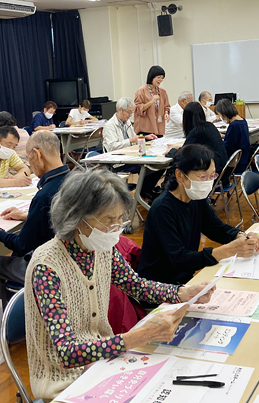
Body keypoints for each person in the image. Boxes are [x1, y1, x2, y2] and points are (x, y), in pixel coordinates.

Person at [25, 170, 215, 400]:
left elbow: (136, 286)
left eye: (120, 219)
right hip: (65, 381)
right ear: (76, 218)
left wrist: (182, 292)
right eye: (108, 221)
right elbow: (66, 353)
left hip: (104, 362)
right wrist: (137, 336)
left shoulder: (101, 248)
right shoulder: (47, 266)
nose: (117, 228)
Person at [139, 144, 259, 285]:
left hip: (183, 280)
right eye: (203, 176)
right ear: (180, 175)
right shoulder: (162, 209)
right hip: (159, 286)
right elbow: (180, 259)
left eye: (212, 175)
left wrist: (242, 236)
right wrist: (228, 250)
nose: (209, 182)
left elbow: (216, 228)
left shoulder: (195, 199)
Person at [0, 131, 69, 306]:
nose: (30, 166)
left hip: (50, 267)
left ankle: (3, 323)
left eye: (29, 159)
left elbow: (22, 245)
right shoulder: (73, 180)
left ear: (37, 154)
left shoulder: (44, 195)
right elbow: (60, 216)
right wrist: (27, 216)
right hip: (72, 259)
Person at [102, 97, 162, 199]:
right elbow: (112, 147)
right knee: (147, 167)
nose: (130, 115)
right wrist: (130, 140)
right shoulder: (109, 126)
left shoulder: (127, 122)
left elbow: (134, 139)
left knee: (158, 165)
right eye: (129, 112)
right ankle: (144, 191)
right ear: (120, 109)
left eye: (132, 112)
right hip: (117, 160)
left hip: (130, 156)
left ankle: (146, 190)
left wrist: (144, 137)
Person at [175, 102, 228, 175]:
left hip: (213, 171)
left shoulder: (197, 131)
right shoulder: (209, 126)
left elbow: (183, 154)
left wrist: (172, 150)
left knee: (179, 165)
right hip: (223, 171)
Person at [215, 98, 251, 172]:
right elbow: (238, 138)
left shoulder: (233, 125)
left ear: (224, 113)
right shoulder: (242, 120)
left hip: (235, 163)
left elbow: (226, 146)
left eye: (220, 115)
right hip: (244, 159)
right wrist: (224, 136)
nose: (221, 118)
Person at [134, 65, 171, 136]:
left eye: (162, 78)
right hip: (145, 129)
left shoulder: (162, 92)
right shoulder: (141, 91)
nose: (161, 80)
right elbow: (138, 109)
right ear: (152, 76)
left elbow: (167, 106)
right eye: (159, 77)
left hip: (159, 127)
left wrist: (166, 113)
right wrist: (151, 101)